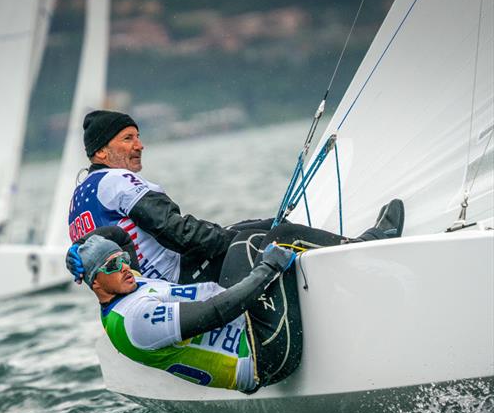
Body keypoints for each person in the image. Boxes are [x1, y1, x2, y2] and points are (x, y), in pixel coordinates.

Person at [71, 200, 405, 392]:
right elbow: (217, 313)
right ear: (95, 283)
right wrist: (268, 268)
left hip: (249, 327)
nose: (126, 267)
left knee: (244, 236)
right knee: (276, 241)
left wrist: (80, 248)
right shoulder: (134, 320)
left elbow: (119, 241)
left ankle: (333, 248)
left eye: (124, 261)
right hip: (264, 356)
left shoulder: (124, 283)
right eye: (113, 266)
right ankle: (369, 247)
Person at [68, 109, 270, 284]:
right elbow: (178, 233)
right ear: (102, 152)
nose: (139, 145)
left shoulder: (77, 200)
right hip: (178, 279)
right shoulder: (115, 180)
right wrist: (239, 242)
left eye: (138, 136)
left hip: (141, 295)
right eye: (128, 138)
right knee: (268, 230)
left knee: (248, 226)